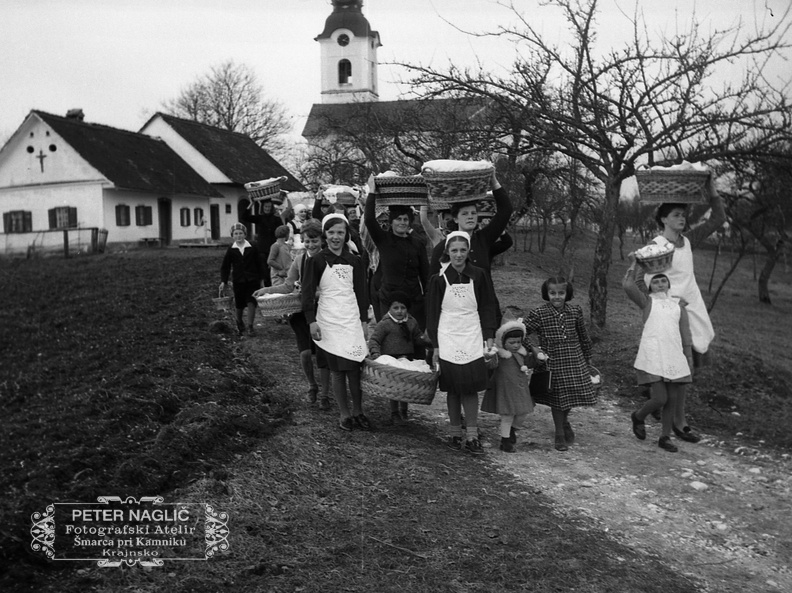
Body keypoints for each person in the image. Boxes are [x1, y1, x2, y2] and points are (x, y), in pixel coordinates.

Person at [643, 188, 726, 442]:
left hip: (693, 310)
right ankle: (678, 422)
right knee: (677, 371)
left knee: (688, 367)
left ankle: (661, 404)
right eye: (676, 215)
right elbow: (643, 281)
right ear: (664, 219)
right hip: (670, 313)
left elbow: (718, 219)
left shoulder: (688, 241)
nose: (682, 219)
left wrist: (712, 191)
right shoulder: (656, 247)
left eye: (683, 214)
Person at [426, 231, 498, 455]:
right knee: (453, 387)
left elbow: (487, 306)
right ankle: (455, 433)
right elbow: (432, 313)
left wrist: (489, 335)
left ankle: (473, 435)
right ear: (447, 252)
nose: (458, 255)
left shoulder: (479, 275)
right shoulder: (438, 279)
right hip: (448, 335)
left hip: (472, 334)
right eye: (454, 250)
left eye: (463, 250)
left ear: (468, 252)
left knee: (470, 386)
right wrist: (435, 345)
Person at [301, 213, 371, 432]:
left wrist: (364, 320)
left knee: (354, 367)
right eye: (331, 232)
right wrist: (311, 321)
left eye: (340, 232)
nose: (335, 237)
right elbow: (307, 293)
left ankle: (358, 411)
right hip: (329, 320)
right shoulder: (316, 261)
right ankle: (344, 414)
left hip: (350, 319)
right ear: (325, 234)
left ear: (346, 234)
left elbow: (361, 293)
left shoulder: (355, 261)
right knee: (338, 370)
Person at [254, 219, 332, 409]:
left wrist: (313, 293)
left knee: (323, 355)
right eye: (307, 241)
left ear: (322, 240)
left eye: (314, 241)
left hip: (323, 312)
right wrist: (267, 290)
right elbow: (288, 285)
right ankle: (312, 385)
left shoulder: (329, 259)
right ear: (302, 241)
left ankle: (325, 394)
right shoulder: (300, 260)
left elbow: (332, 289)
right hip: (300, 311)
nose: (311, 245)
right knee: (305, 353)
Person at [623, 261, 693, 453]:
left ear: (669, 284)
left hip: (673, 356)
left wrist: (688, 356)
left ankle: (665, 436)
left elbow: (685, 333)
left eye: (663, 281)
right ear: (649, 286)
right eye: (656, 281)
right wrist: (635, 263)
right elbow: (629, 285)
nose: (660, 284)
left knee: (671, 398)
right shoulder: (647, 302)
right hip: (653, 355)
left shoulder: (678, 305)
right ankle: (638, 416)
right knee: (660, 398)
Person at [523, 276, 596, 452]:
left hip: (574, 358)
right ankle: (559, 433)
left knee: (569, 394)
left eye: (561, 293)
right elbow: (521, 332)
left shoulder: (575, 311)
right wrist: (534, 349)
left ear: (567, 293)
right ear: (546, 293)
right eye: (552, 293)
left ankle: (564, 421)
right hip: (552, 360)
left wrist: (588, 358)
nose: (557, 297)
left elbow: (583, 336)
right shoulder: (539, 313)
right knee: (558, 398)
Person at [429, 171, 512, 322]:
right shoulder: (444, 247)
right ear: (455, 218)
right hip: (457, 314)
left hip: (486, 308)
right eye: (465, 214)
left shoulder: (483, 239)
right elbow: (433, 287)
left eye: (473, 213)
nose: (470, 217)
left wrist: (494, 182)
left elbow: (505, 210)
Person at [364, 193, 430, 328]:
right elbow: (369, 220)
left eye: (405, 219)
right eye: (398, 219)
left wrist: (427, 303)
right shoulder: (384, 240)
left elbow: (425, 277)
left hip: (413, 301)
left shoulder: (417, 244)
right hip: (389, 300)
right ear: (391, 222)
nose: (402, 222)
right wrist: (372, 193)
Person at [367, 291, 431, 425]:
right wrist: (376, 356)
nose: (400, 311)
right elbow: (374, 340)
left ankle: (404, 410)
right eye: (395, 308)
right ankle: (394, 412)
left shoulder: (411, 322)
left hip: (407, 358)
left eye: (403, 308)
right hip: (391, 360)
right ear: (389, 309)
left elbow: (416, 337)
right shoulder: (385, 324)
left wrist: (425, 340)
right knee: (394, 388)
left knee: (405, 385)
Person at [481, 319, 535, 452]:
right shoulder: (499, 355)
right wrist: (488, 356)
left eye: (518, 342)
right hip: (505, 389)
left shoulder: (522, 353)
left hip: (520, 389)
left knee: (523, 412)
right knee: (507, 415)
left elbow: (530, 363)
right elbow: (490, 365)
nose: (516, 345)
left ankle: (512, 430)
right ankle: (505, 441)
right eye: (512, 342)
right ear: (503, 342)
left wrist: (538, 358)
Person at [219, 222, 264, 337]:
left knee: (251, 302)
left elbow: (260, 263)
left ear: (245, 234)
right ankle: (239, 321)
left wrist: (262, 279)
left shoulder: (252, 247)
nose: (238, 236)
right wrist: (223, 281)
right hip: (238, 280)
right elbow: (225, 266)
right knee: (239, 304)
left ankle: (250, 326)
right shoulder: (231, 249)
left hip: (252, 280)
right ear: (232, 236)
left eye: (240, 233)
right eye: (236, 234)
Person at [240, 199, 282, 287]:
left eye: (269, 207)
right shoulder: (260, 218)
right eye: (266, 206)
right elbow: (244, 217)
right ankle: (266, 288)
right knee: (264, 271)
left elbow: (281, 232)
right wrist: (251, 204)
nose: (267, 208)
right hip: (262, 249)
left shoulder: (276, 219)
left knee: (274, 271)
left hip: (273, 248)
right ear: (263, 207)